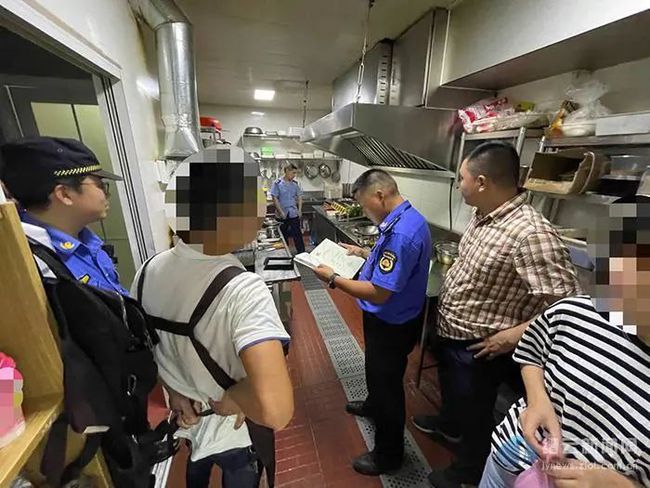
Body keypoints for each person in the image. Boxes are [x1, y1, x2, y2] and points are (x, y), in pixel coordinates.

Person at [413, 142, 583, 487]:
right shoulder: (482, 215)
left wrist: (513, 335)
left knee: (476, 413)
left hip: (483, 345)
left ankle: (467, 472)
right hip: (452, 331)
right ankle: (449, 425)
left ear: (481, 182)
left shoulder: (531, 234)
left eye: (461, 178)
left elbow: (568, 305)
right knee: (456, 397)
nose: (457, 184)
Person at [133, 146, 294, 488]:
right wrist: (233, 398)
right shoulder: (243, 290)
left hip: (188, 424)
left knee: (197, 471)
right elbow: (276, 410)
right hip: (235, 433)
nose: (262, 211)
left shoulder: (147, 271)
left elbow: (151, 349)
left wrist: (174, 391)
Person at [481, 194, 650, 488]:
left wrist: (618, 484)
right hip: (511, 456)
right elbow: (532, 352)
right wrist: (536, 400)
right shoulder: (578, 310)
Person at [312, 169, 432, 476]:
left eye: (366, 206)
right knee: (375, 372)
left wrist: (334, 278)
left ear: (380, 195)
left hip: (391, 323)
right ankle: (373, 404)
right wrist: (363, 252)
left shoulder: (402, 233)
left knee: (388, 385)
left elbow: (378, 293)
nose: (366, 211)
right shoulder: (404, 218)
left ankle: (389, 455)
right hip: (391, 319)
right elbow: (388, 263)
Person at [0, 137, 128, 294]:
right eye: (100, 185)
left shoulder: (87, 242)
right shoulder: (34, 263)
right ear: (64, 194)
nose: (106, 194)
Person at [270, 163, 305, 253]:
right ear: (286, 171)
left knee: (297, 235)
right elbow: (275, 198)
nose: (294, 175)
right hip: (282, 214)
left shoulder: (295, 184)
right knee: (282, 236)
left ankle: (302, 254)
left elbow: (300, 196)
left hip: (293, 213)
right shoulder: (277, 184)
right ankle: (284, 254)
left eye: (295, 173)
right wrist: (280, 211)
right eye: (293, 173)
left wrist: (300, 210)